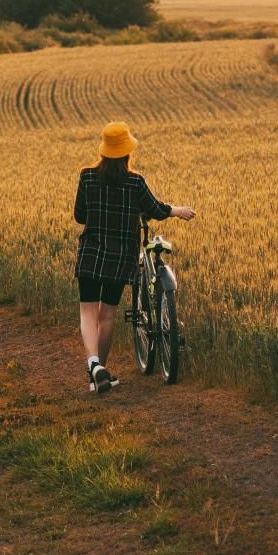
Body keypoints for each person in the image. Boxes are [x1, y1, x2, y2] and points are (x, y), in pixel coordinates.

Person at [73, 121, 195, 394]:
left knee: (87, 312)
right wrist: (178, 210)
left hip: (91, 253)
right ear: (127, 152)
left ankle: (95, 367)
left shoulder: (87, 177)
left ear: (104, 151)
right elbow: (155, 208)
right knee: (107, 316)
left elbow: (80, 216)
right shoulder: (135, 182)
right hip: (120, 257)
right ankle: (98, 370)